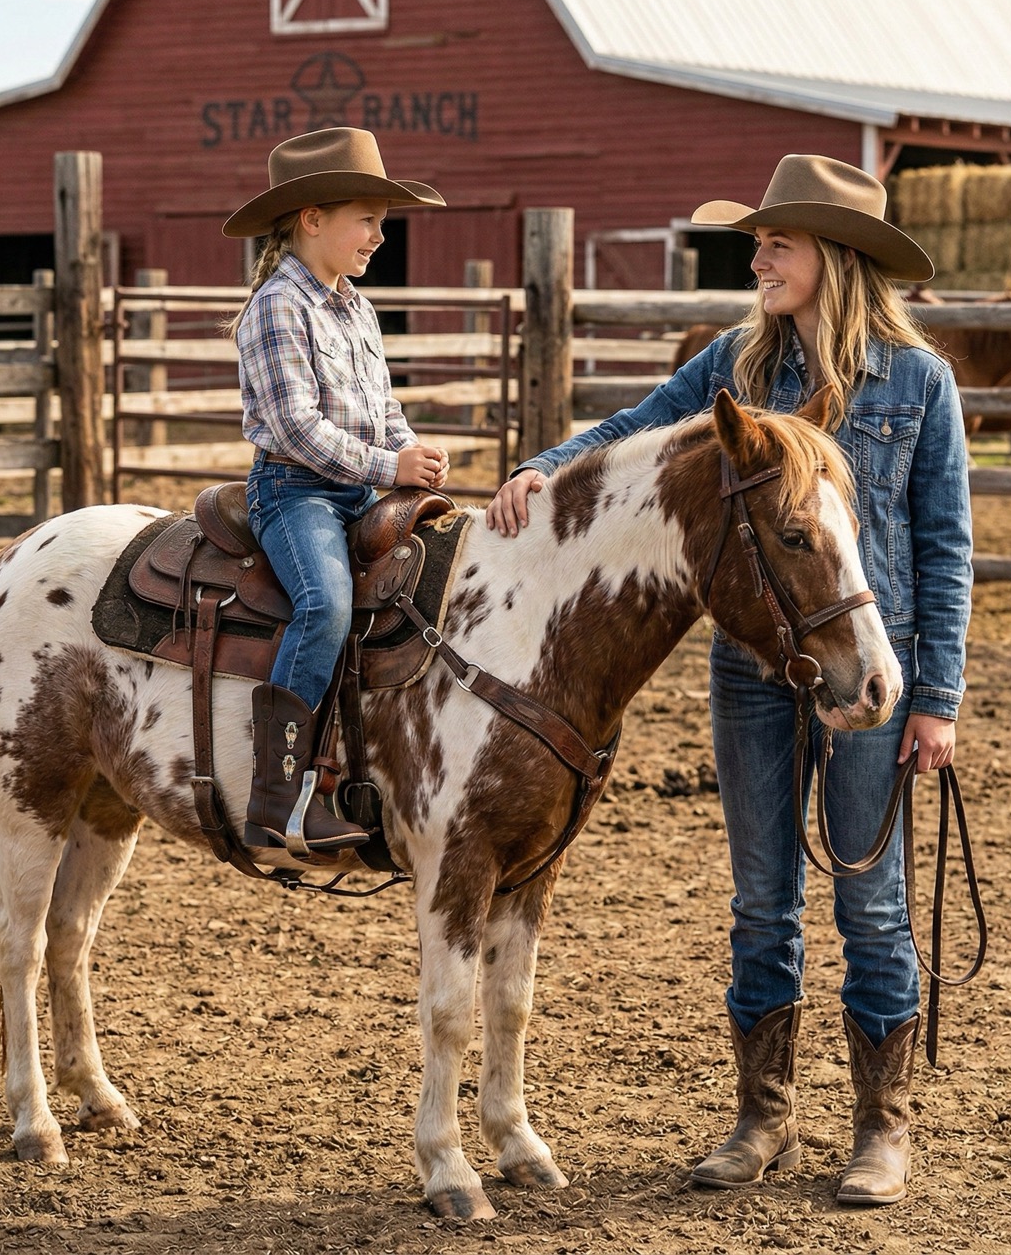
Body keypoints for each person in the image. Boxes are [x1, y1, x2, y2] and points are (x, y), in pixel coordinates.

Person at [487, 155, 973, 1206]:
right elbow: (632, 429)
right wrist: (545, 464)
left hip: (864, 670)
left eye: (776, 244)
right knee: (761, 902)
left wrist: (937, 697)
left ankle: (880, 1129)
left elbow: (944, 544)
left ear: (832, 256)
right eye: (757, 244)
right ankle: (763, 1117)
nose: (757, 260)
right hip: (756, 669)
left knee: (870, 900)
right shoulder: (734, 363)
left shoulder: (917, 381)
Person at [222, 127, 450, 854]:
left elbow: (383, 406)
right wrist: (389, 469)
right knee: (325, 605)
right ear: (312, 219)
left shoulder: (356, 308)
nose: (380, 236)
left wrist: (411, 450)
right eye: (367, 219)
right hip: (297, 492)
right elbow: (295, 427)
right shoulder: (277, 306)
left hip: (359, 487)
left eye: (382, 221)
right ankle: (278, 799)